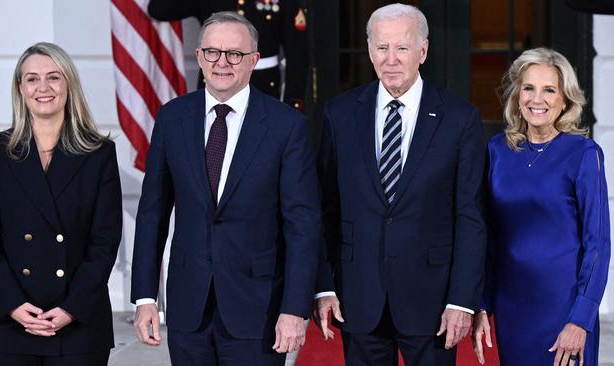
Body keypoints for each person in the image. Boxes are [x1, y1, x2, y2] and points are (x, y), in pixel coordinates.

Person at [130, 11, 320, 366]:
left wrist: (294, 309)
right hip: (189, 308)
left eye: (235, 54)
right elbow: (153, 213)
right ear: (199, 56)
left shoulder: (286, 126)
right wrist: (144, 298)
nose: (222, 62)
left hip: (258, 309)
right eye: (213, 52)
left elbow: (303, 226)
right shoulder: (172, 118)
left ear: (254, 61)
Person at [313, 3, 486, 365]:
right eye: (381, 47)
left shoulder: (459, 118)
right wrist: (324, 286)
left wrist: (462, 300)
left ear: (422, 51)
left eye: (402, 48)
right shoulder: (340, 114)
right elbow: (324, 210)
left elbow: (471, 216)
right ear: (369, 50)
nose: (391, 59)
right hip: (358, 297)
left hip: (434, 301)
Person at [0, 42, 122, 366]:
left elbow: (105, 241)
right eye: (32, 79)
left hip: (78, 322)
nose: (43, 88)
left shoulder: (99, 154)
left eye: (54, 77)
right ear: (20, 88)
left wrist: (71, 309)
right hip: (8, 322)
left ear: (69, 85)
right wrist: (12, 304)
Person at [472, 47, 611, 366]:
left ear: (565, 99)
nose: (538, 99)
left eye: (550, 90)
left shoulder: (584, 153)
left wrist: (580, 320)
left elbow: (598, 245)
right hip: (512, 310)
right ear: (517, 96)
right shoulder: (497, 151)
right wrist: (482, 304)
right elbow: (491, 238)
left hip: (564, 310)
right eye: (529, 88)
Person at [147, 0, 309, 111]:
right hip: (213, 91)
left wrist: (291, 108)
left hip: (261, 89)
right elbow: (159, 9)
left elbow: (297, 56)